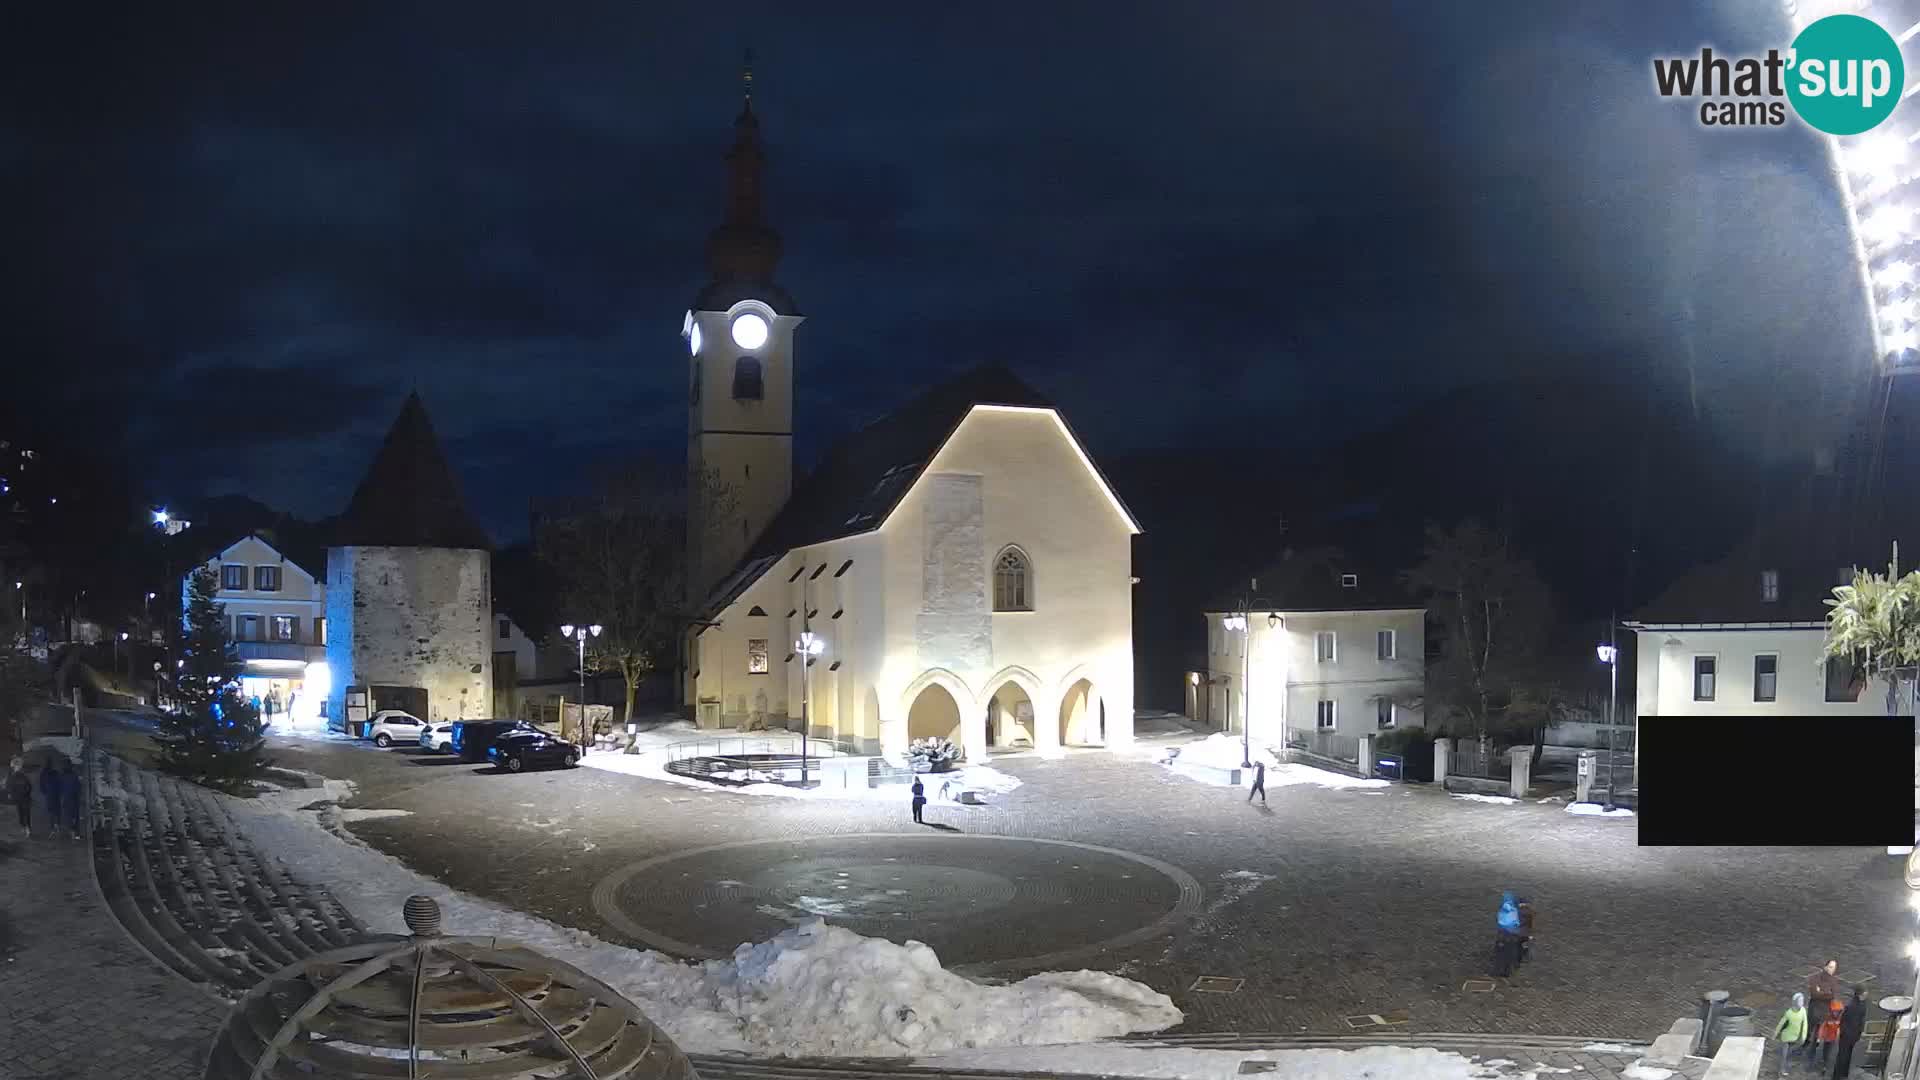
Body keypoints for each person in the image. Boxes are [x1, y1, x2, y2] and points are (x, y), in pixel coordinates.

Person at [1833, 986, 1868, 1079]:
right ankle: (1837, 1075)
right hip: (1847, 1034)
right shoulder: (1851, 1006)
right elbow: (1843, 1020)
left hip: (1853, 1034)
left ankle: (1843, 1074)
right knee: (1842, 1055)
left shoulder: (1862, 1004)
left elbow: (1861, 1020)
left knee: (1847, 1055)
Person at [1807, 960, 1843, 1048]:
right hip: (1814, 1010)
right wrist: (1826, 994)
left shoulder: (1833, 981)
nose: (1832, 970)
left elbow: (1832, 995)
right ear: (1825, 967)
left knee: (1819, 1030)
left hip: (1824, 1011)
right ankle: (1807, 1042)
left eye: (1834, 968)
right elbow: (1814, 994)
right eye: (1831, 967)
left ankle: (1814, 1044)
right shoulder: (1815, 978)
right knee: (1810, 1029)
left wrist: (1821, 992)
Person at [1775, 993, 1809, 1075]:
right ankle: (1782, 1069)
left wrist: (1803, 1037)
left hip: (1795, 1037)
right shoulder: (1789, 1013)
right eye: (1800, 1001)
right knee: (1784, 1054)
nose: (1802, 1002)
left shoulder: (1803, 1011)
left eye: (1802, 1001)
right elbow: (1781, 1024)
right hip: (1786, 1037)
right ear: (1795, 1002)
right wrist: (1775, 1034)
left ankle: (1786, 1066)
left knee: (1789, 1053)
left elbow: (1805, 1024)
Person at [1491, 891, 1523, 977]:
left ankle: (1502, 970)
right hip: (1511, 936)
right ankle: (1508, 970)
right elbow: (1516, 923)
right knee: (1509, 953)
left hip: (1504, 936)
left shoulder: (1502, 911)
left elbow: (1500, 923)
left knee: (1502, 954)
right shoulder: (1514, 911)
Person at [1814, 998, 1843, 1073]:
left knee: (1829, 1052)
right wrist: (1819, 1038)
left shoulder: (1840, 1018)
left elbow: (1841, 1027)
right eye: (1834, 1011)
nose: (1835, 1013)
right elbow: (1822, 1028)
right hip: (1826, 1038)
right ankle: (1824, 1061)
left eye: (1837, 1011)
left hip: (1834, 1039)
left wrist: (1839, 1034)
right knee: (1825, 1050)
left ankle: (1825, 1066)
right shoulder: (1827, 1017)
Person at [6, 757, 31, 837]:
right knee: (22, 813)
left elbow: (28, 787)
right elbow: (9, 785)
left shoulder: (20, 776)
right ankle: (25, 828)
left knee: (24, 813)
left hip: (22, 798)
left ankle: (26, 829)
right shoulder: (14, 775)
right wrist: (11, 793)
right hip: (21, 798)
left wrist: (12, 793)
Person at [38, 760, 63, 839]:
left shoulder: (43, 774)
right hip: (56, 795)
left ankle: (53, 828)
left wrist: (44, 792)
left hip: (49, 796)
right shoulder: (56, 773)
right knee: (57, 811)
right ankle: (57, 825)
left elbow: (41, 784)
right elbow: (60, 783)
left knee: (51, 812)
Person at [59, 760, 81, 840]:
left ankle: (72, 831)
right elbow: (78, 788)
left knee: (68, 816)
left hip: (66, 799)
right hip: (74, 799)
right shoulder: (74, 776)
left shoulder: (62, 776)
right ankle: (76, 833)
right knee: (76, 816)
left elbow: (60, 789)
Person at [1515, 896, 1535, 964]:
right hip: (1525, 933)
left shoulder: (1516, 911)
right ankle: (1525, 957)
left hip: (1517, 933)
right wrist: (1531, 934)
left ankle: (1518, 958)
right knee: (1524, 945)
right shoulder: (1529, 911)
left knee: (1517, 946)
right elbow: (1530, 924)